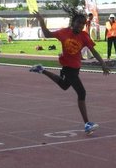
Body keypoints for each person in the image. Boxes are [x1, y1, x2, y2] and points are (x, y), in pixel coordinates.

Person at [30, 7, 110, 135]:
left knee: (64, 85)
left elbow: (93, 51)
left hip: (76, 67)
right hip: (68, 68)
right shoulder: (64, 33)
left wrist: (103, 64)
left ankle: (42, 70)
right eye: (79, 23)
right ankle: (87, 124)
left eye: (83, 24)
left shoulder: (84, 36)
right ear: (73, 22)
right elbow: (47, 34)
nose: (80, 26)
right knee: (82, 93)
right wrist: (41, 21)